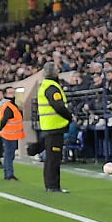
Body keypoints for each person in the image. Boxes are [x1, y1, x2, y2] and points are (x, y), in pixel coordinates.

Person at [35, 62, 72, 193]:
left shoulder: (45, 85)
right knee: (53, 158)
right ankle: (52, 185)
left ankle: (51, 185)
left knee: (51, 158)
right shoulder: (51, 87)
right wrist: (70, 116)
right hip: (54, 126)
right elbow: (58, 106)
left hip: (49, 126)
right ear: (54, 72)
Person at [0, 87, 24, 181]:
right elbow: (5, 120)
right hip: (9, 134)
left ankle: (8, 173)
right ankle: (9, 174)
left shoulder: (11, 104)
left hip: (12, 134)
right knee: (9, 155)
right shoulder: (9, 105)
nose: (12, 94)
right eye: (10, 92)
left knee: (10, 154)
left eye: (13, 92)